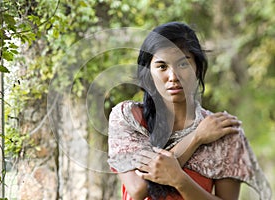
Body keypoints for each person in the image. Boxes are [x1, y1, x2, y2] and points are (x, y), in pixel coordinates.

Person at [107, 22, 271, 200]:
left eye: (183, 64)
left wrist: (180, 181)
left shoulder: (224, 132)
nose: (173, 77)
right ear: (148, 73)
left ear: (197, 68)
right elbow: (138, 189)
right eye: (162, 67)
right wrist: (196, 138)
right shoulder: (127, 118)